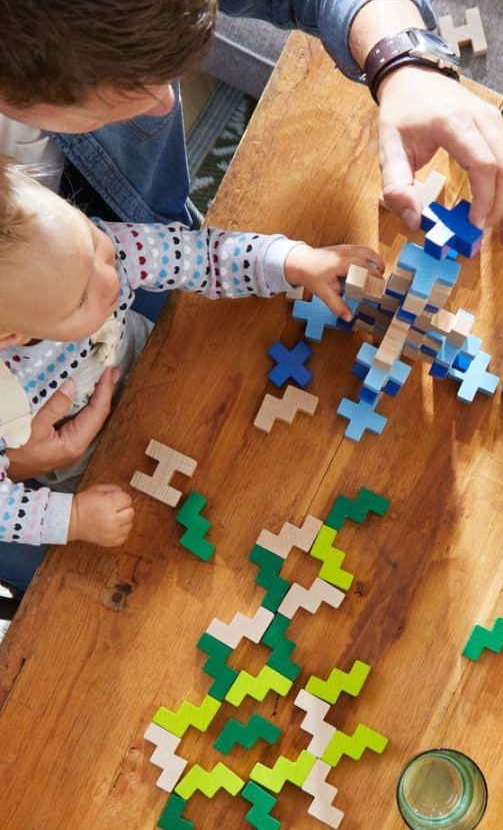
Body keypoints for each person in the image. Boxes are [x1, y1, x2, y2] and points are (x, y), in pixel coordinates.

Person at [0, 0, 503, 584]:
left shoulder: (114, 256)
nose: (167, 102)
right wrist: (23, 473)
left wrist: (404, 63)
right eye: (123, 87)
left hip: (140, 331)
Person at [0, 158, 384, 552]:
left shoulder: (102, 253)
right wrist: (74, 518)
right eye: (81, 300)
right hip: (88, 462)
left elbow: (201, 255)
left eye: (91, 240)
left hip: (159, 367)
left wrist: (293, 261)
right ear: (12, 335)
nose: (112, 278)